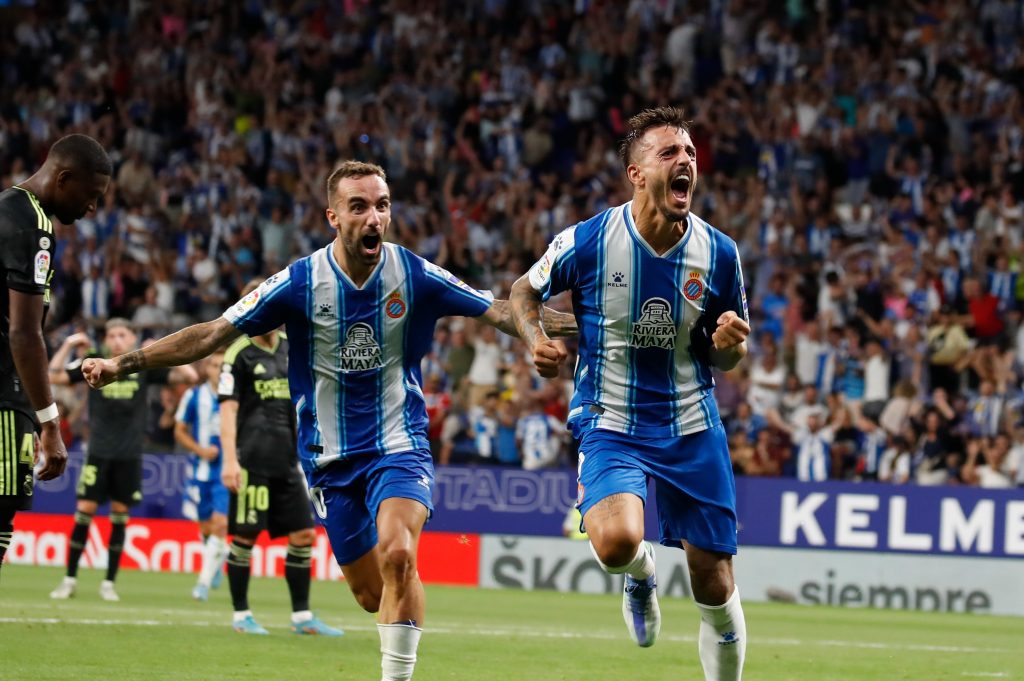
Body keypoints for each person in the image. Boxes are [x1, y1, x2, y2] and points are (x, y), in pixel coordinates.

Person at [82, 160, 576, 681]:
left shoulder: (414, 273)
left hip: (398, 442)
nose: (373, 217)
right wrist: (124, 362)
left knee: (400, 551)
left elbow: (497, 310)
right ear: (333, 217)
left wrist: (567, 329)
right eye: (359, 206)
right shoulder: (297, 283)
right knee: (371, 594)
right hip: (328, 459)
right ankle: (396, 614)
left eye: (382, 205)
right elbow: (212, 334)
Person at [510, 107, 750, 680]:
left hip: (692, 424)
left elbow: (729, 356)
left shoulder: (720, 253)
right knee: (617, 542)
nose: (685, 161)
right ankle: (639, 574)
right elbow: (523, 290)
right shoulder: (589, 241)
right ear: (637, 174)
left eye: (690, 153)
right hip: (610, 418)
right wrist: (534, 337)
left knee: (713, 585)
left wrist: (728, 344)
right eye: (669, 153)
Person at [0, 134, 111, 579]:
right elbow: (24, 333)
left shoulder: (5, 205)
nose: (92, 209)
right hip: (4, 397)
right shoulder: (33, 224)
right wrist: (49, 423)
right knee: (2, 508)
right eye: (91, 195)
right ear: (63, 179)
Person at [219, 283, 341, 636]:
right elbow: (228, 411)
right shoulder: (238, 354)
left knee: (304, 534)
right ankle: (241, 615)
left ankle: (302, 617)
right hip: (251, 460)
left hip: (290, 461)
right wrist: (230, 461)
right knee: (245, 537)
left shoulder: (292, 348)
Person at [48, 320, 195, 601]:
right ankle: (69, 579)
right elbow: (53, 376)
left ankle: (109, 583)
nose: (116, 340)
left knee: (119, 516)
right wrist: (68, 345)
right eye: (111, 335)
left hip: (129, 455)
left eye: (122, 335)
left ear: (133, 338)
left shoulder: (143, 368)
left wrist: (157, 350)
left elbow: (188, 375)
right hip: (99, 452)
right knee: (85, 512)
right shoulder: (94, 365)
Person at [175, 349, 230, 601]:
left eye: (222, 365)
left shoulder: (235, 395)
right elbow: (180, 431)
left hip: (227, 470)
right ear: (207, 369)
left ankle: (202, 584)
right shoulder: (194, 396)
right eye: (214, 365)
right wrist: (199, 449)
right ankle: (216, 559)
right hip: (201, 470)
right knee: (206, 526)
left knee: (221, 524)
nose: (218, 370)